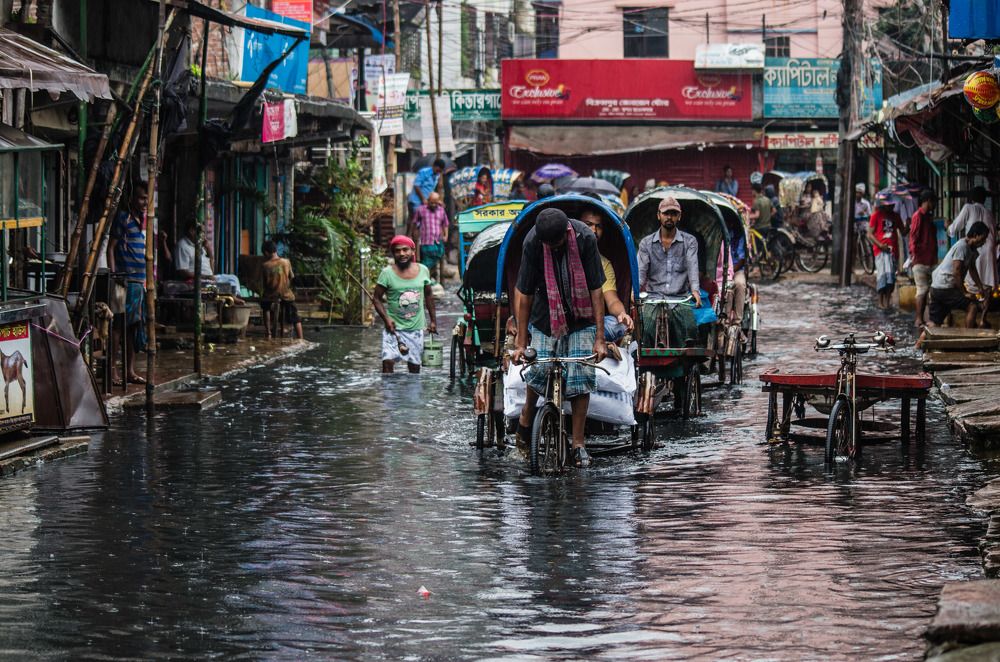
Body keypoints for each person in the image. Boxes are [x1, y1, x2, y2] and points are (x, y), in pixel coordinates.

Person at [511, 208, 607, 468]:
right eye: (548, 244)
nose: (553, 248)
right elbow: (525, 293)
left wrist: (600, 337)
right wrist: (521, 342)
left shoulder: (585, 238)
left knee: (579, 374)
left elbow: (597, 289)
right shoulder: (533, 242)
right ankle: (527, 416)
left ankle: (578, 444)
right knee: (537, 369)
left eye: (557, 243)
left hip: (582, 315)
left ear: (566, 233)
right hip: (545, 314)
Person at [636, 196, 701, 349]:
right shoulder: (646, 243)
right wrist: (635, 291)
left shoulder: (689, 241)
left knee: (690, 327)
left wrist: (695, 291)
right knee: (645, 328)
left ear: (679, 216)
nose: (669, 217)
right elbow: (641, 271)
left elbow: (693, 266)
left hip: (679, 298)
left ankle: (687, 366)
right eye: (666, 213)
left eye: (673, 213)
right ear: (659, 215)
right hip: (654, 297)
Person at [373, 235, 437, 374]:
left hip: (415, 329)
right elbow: (376, 298)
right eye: (397, 250)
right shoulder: (387, 273)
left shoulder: (423, 270)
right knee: (387, 364)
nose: (402, 254)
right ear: (393, 253)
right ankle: (390, 395)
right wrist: (386, 319)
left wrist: (433, 321)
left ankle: (411, 396)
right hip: (393, 329)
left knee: (414, 368)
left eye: (405, 250)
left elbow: (429, 296)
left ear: (413, 251)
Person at [107, 183, 149, 385]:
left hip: (139, 281)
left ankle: (129, 371)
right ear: (132, 198)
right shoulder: (123, 218)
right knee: (117, 327)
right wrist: (115, 275)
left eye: (146, 199)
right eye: (141, 198)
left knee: (133, 327)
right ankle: (113, 371)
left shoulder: (143, 222)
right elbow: (111, 247)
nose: (144, 202)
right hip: (123, 281)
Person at [579, 209, 634, 355]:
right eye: (588, 224)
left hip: (594, 323)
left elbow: (612, 300)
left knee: (617, 324)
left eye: (598, 226)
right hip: (566, 324)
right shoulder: (565, 256)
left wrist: (622, 314)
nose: (593, 230)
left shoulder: (604, 263)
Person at [928, 221, 990, 327]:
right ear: (975, 235)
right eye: (983, 238)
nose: (984, 242)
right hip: (945, 287)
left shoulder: (972, 250)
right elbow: (957, 271)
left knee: (935, 323)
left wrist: (980, 287)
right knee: (972, 306)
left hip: (938, 287)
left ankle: (918, 344)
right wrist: (964, 292)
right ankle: (969, 339)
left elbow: (972, 269)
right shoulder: (962, 246)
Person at [949, 185, 997, 293]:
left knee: (972, 285)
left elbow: (955, 227)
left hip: (975, 250)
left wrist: (948, 227)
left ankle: (973, 302)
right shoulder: (990, 213)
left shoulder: (968, 208)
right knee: (987, 284)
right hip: (989, 252)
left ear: (971, 198)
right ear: (985, 199)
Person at [174, 221, 242, 294]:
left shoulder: (199, 244)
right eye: (202, 232)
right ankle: (233, 298)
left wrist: (209, 250)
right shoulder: (182, 245)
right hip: (197, 280)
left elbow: (211, 267)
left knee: (233, 278)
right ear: (192, 231)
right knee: (220, 286)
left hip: (209, 278)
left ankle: (235, 296)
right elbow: (183, 272)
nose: (204, 235)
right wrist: (206, 277)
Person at [260, 240, 303, 340]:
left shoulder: (265, 266)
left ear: (266, 252)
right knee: (295, 317)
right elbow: (291, 277)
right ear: (275, 250)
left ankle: (268, 333)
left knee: (265, 307)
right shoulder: (286, 262)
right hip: (286, 295)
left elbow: (264, 284)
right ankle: (301, 338)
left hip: (271, 295)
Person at [909, 189, 938, 327]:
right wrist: (914, 255)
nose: (935, 204)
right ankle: (919, 319)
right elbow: (913, 237)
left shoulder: (928, 216)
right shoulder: (918, 216)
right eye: (934, 201)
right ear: (928, 201)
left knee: (928, 290)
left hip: (930, 259)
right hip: (921, 259)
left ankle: (923, 318)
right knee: (922, 290)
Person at [868, 195, 903, 309]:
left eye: (893, 205)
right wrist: (880, 245)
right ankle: (880, 301)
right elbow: (870, 234)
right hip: (880, 251)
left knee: (891, 277)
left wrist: (908, 223)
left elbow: (903, 232)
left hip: (892, 251)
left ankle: (887, 301)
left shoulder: (896, 216)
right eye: (889, 205)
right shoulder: (876, 215)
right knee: (882, 277)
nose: (891, 207)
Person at [410, 191, 449, 271]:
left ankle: (423, 273)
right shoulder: (421, 210)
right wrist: (413, 234)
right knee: (427, 259)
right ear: (428, 201)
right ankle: (424, 275)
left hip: (438, 240)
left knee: (439, 254)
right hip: (426, 241)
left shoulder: (441, 210)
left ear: (438, 201)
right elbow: (414, 223)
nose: (434, 205)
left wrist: (446, 235)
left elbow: (445, 224)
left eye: (435, 203)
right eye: (431, 203)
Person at [724, 213, 748, 324]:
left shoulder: (739, 236)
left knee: (739, 284)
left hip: (736, 269)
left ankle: (737, 322)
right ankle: (725, 320)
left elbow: (741, 259)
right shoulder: (717, 235)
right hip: (720, 269)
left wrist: (729, 271)